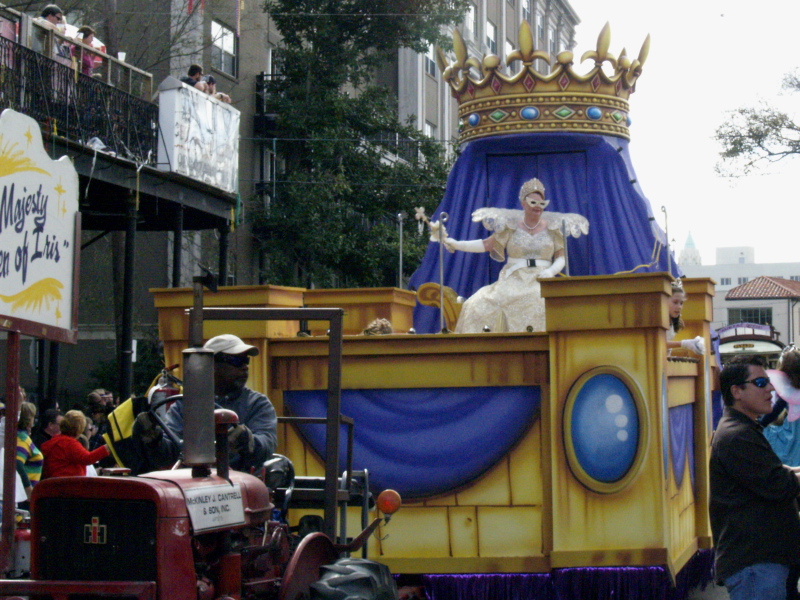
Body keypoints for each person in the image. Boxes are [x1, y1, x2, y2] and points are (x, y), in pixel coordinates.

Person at [431, 178, 588, 333]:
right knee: (477, 303)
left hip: (542, 279)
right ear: (523, 203)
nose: (538, 207)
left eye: (542, 204)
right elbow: (486, 245)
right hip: (513, 278)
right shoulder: (510, 227)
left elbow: (561, 257)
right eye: (533, 203)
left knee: (540, 300)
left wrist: (551, 271)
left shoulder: (554, 228)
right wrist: (457, 244)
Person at [710, 355, 800, 600]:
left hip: (765, 563)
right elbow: (780, 484)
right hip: (755, 566)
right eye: (760, 383)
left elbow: (777, 474)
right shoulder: (736, 436)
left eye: (769, 381)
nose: (771, 388)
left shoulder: (744, 429)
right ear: (736, 391)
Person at [134, 334, 278, 473]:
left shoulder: (257, 403)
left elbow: (267, 444)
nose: (244, 367)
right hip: (193, 484)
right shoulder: (185, 405)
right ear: (211, 365)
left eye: (246, 360)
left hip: (241, 482)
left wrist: (247, 440)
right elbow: (169, 454)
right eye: (236, 361)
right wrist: (154, 439)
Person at [41, 410, 110, 478]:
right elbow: (88, 458)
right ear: (79, 428)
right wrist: (108, 447)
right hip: (68, 484)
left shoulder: (54, 441)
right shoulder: (69, 443)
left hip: (54, 483)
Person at [665, 280, 705, 355]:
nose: (679, 307)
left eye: (681, 303)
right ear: (664, 300)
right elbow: (657, 343)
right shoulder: (657, 320)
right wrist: (684, 344)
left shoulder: (674, 322)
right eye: (675, 302)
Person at [16, 402, 43, 505]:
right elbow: (17, 463)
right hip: (24, 497)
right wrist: (29, 490)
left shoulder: (19, 435)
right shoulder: (22, 438)